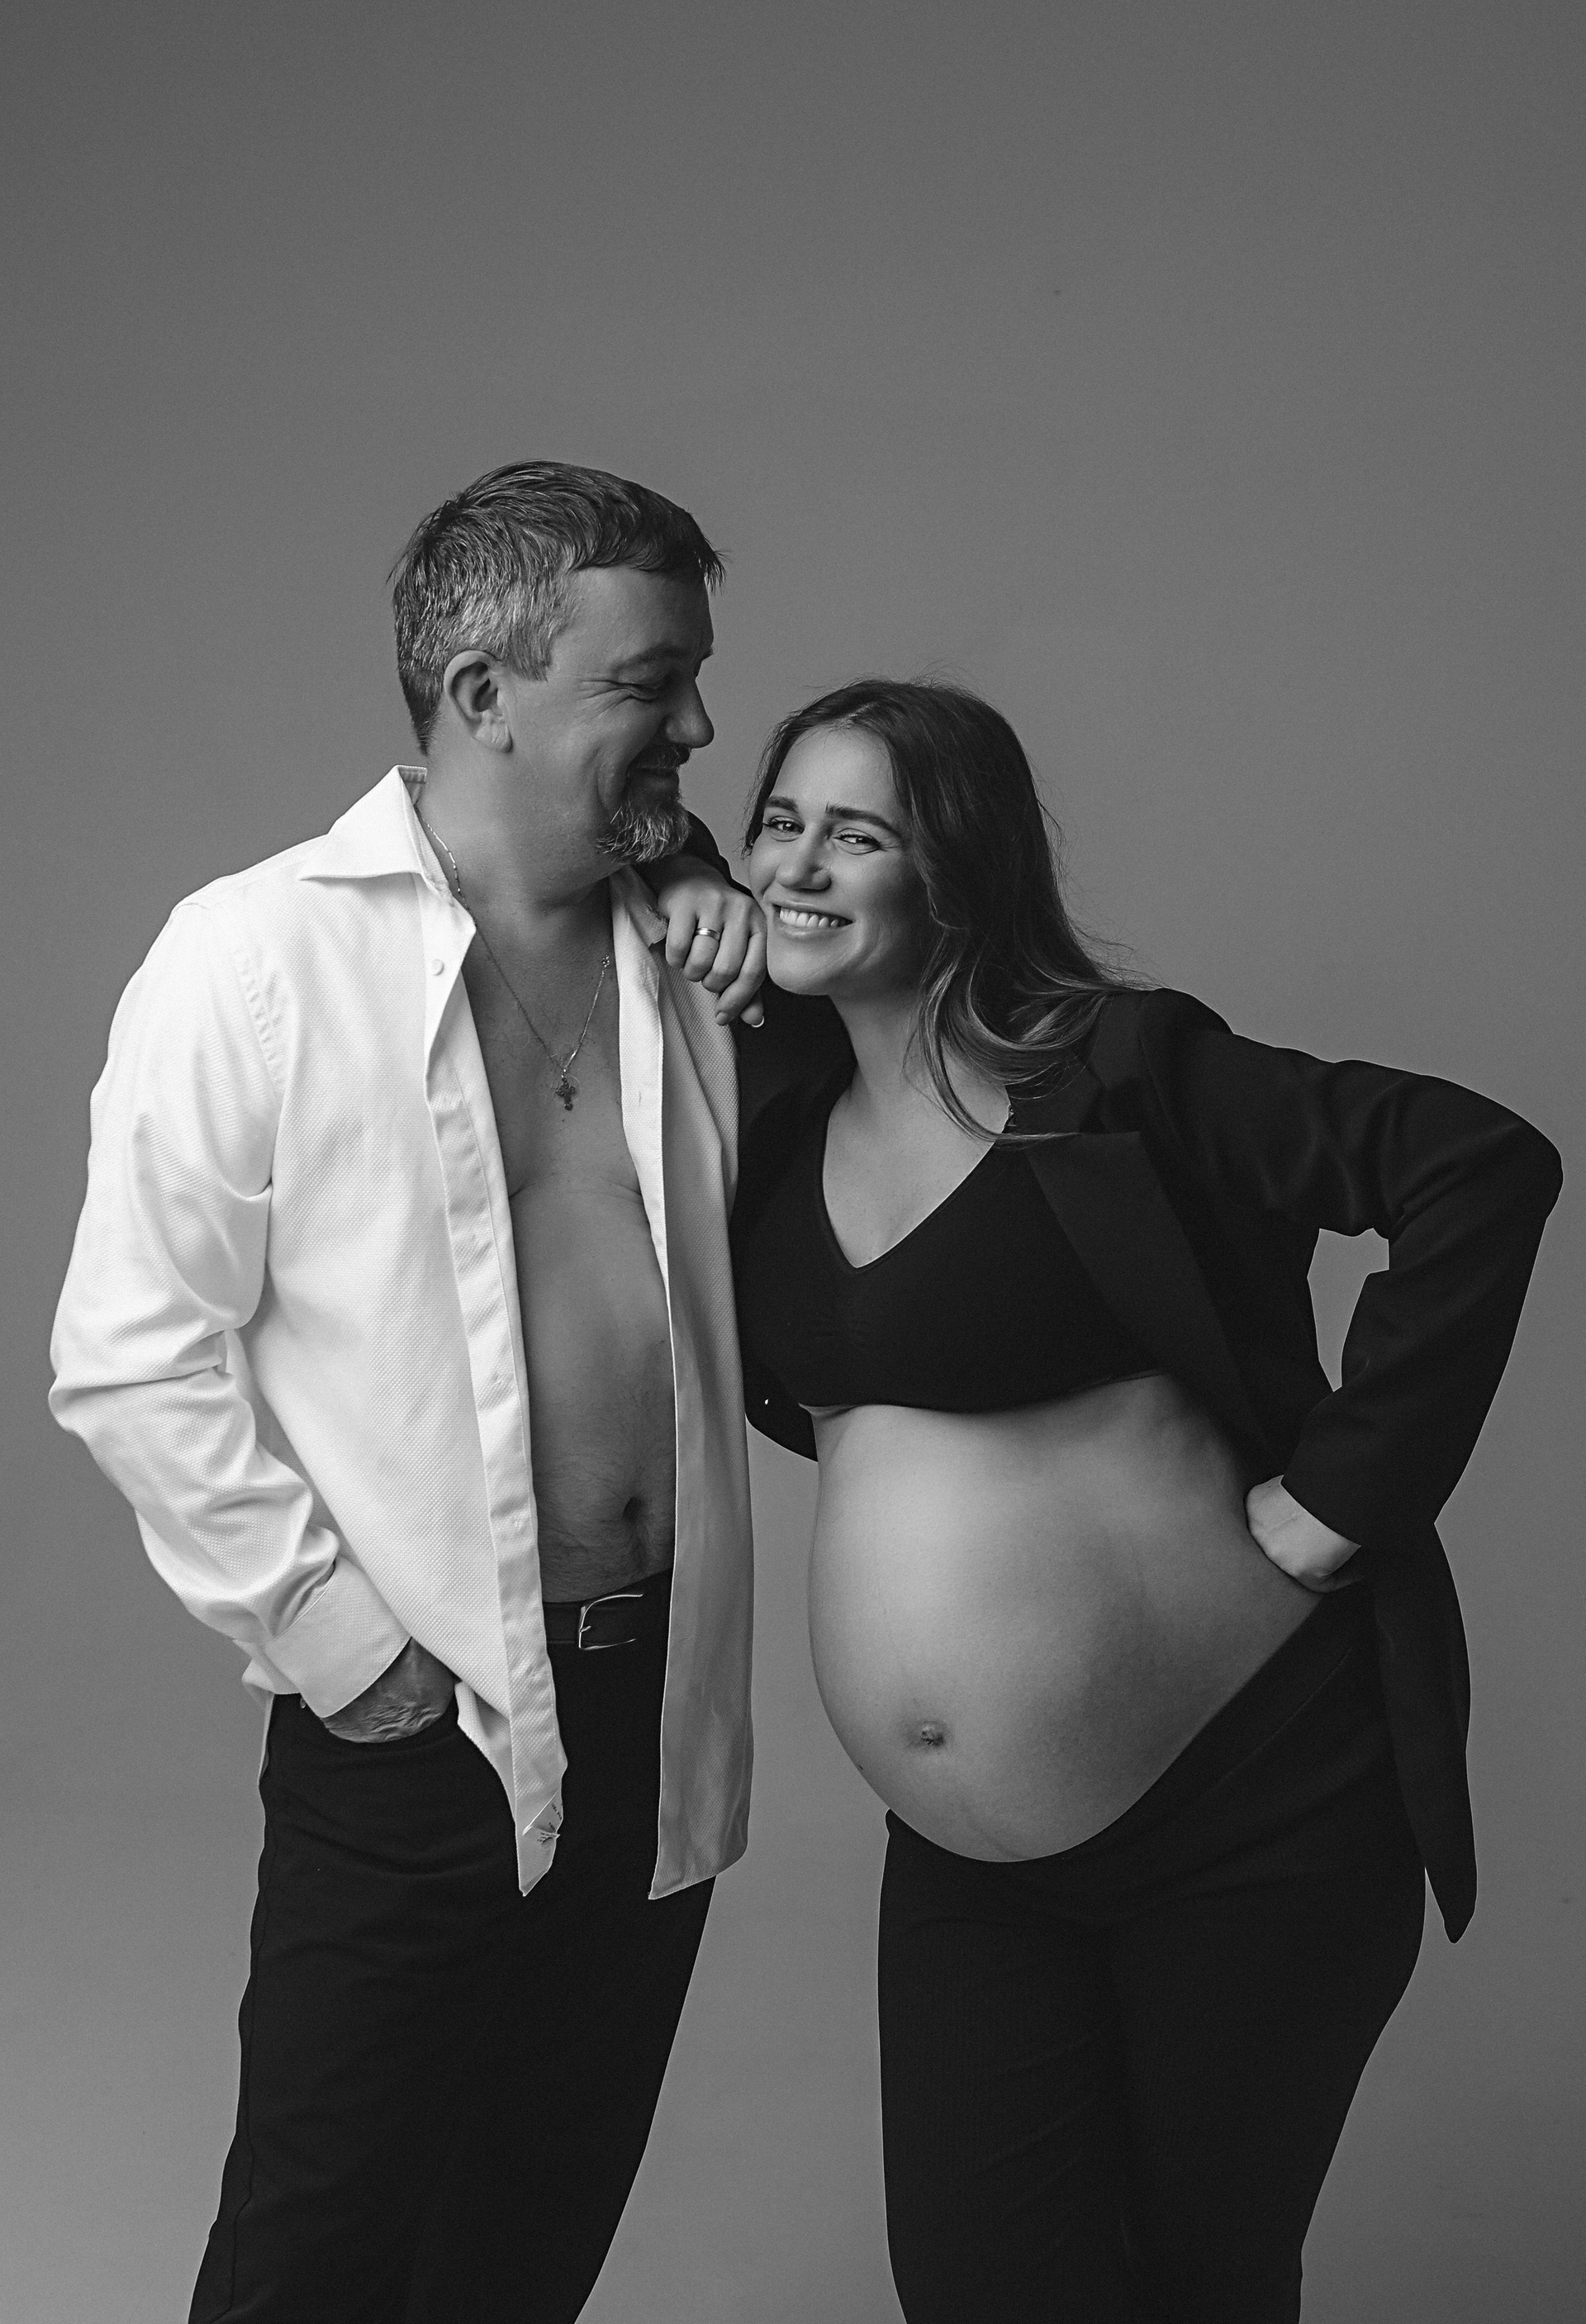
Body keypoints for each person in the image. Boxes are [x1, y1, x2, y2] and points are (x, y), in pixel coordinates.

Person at [719, 677, 1561, 2324]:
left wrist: (1348, 1497)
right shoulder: (774, 1108)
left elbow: (1476, 1166)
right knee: (980, 2286)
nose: (799, 867)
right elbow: (617, 854)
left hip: (1253, 1812)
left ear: (956, 870)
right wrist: (692, 877)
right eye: (780, 822)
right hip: (971, 1867)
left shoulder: (1117, 1070)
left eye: (858, 834)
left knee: (1201, 2286)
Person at [49, 460, 767, 2322]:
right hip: (421, 1713)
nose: (700, 724)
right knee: (314, 2257)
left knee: (528, 2246)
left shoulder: (692, 957)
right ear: (480, 694)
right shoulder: (259, 954)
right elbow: (130, 1349)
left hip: (657, 1705)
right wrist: (341, 1647)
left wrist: (707, 885)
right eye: (651, 683)